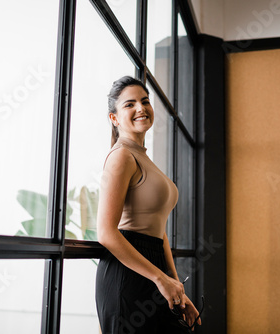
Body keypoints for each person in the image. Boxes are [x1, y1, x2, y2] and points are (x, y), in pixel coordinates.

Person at [95, 76, 202, 333]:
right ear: (114, 118)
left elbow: (159, 231)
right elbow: (106, 233)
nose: (141, 108)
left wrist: (176, 286)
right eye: (129, 104)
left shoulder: (142, 158)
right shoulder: (121, 156)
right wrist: (160, 278)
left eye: (145, 101)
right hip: (129, 273)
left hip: (153, 266)